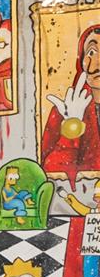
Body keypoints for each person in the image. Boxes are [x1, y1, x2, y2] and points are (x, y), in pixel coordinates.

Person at [42, 23, 100, 186]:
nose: (98, 63)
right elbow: (52, 176)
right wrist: (72, 126)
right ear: (81, 62)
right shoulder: (62, 112)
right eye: (92, 52)